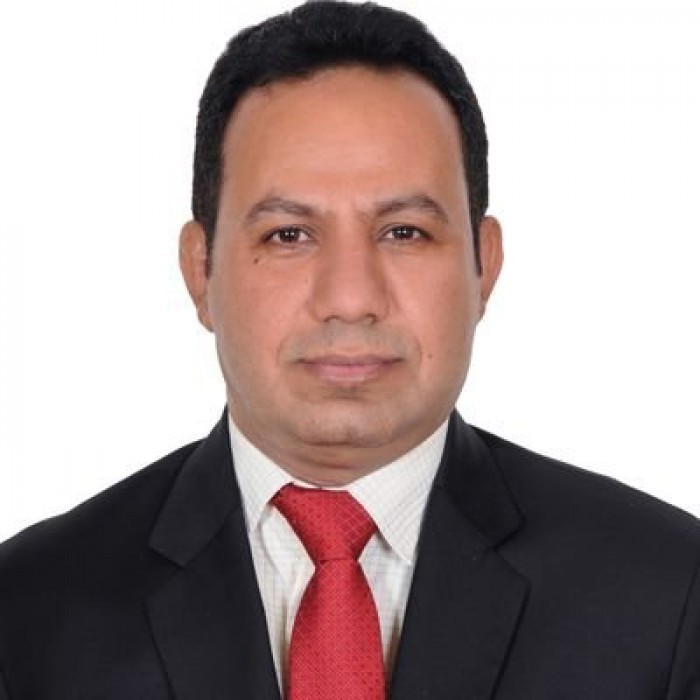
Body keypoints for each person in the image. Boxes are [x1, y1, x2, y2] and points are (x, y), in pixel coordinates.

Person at [0, 1, 698, 698]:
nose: (350, 297)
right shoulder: (28, 612)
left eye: (404, 232)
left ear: (483, 265)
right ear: (200, 270)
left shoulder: (669, 597)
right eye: (288, 235)